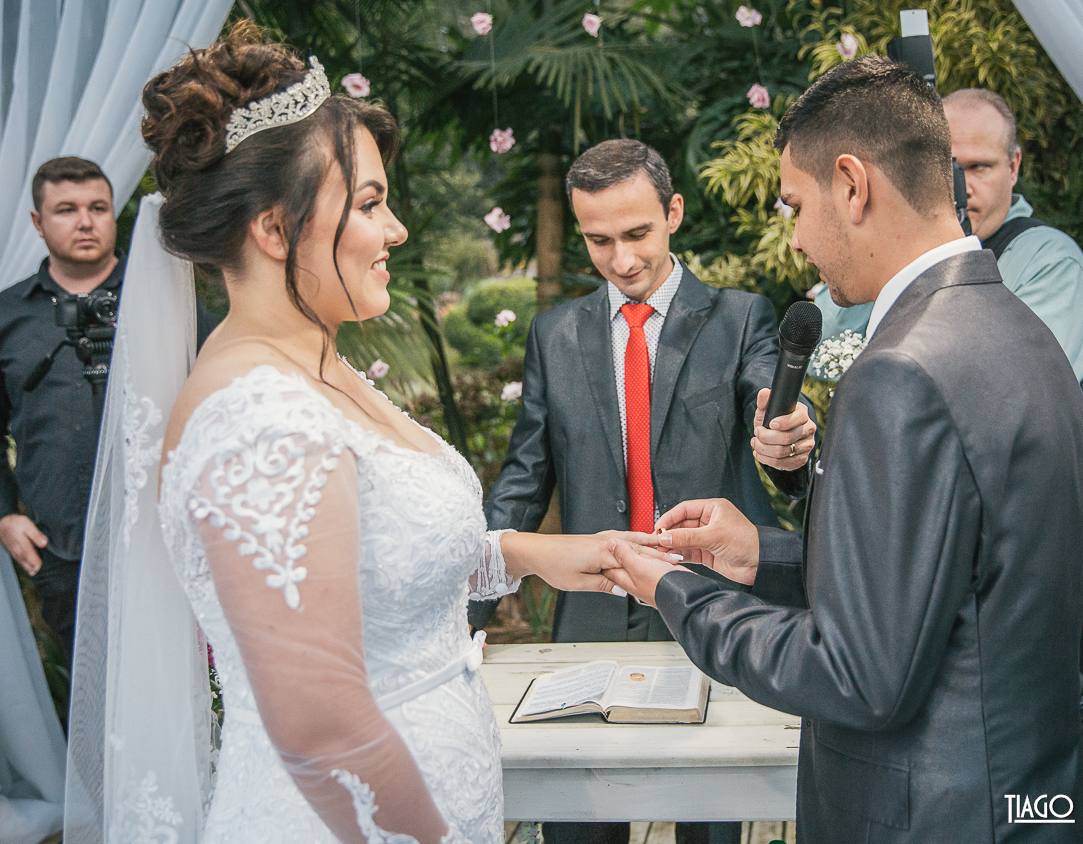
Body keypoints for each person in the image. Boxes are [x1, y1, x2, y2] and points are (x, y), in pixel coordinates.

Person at [68, 24, 648, 844]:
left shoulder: (319, 369)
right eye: (371, 204)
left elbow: (382, 563)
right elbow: (319, 725)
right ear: (274, 229)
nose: (398, 228)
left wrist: (538, 554)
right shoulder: (255, 419)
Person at [606, 57, 1083, 842]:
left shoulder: (900, 370)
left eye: (796, 205)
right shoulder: (1019, 327)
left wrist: (679, 592)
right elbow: (956, 584)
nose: (796, 237)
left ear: (852, 184)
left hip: (929, 815)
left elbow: (857, 673)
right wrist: (759, 557)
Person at [482, 138, 816, 844]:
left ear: (674, 212)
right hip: (592, 616)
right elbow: (523, 477)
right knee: (576, 830)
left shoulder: (739, 317)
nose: (621, 259)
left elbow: (770, 406)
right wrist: (469, 602)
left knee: (712, 828)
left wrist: (783, 437)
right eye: (598, 240)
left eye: (636, 234)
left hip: (710, 605)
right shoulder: (554, 334)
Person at [0, 156, 214, 662]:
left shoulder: (168, 300)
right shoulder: (8, 316)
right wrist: (5, 514)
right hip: (61, 551)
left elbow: (217, 401)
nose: (85, 221)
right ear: (37, 221)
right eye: (66, 209)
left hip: (168, 544)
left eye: (98, 207)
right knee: (92, 699)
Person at [809, 87, 1083, 383]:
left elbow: (1008, 389)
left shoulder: (1052, 262)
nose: (960, 187)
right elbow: (818, 355)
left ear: (1014, 166)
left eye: (978, 167)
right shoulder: (905, 249)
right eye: (946, 167)